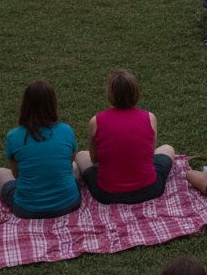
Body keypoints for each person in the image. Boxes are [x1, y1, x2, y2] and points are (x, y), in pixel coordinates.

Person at [75, 69, 175, 204]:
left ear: (110, 93)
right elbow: (150, 154)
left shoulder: (96, 121)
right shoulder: (150, 118)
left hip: (107, 194)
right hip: (149, 190)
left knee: (81, 155)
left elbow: (94, 160)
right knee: (167, 149)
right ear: (136, 92)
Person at [0, 80, 80, 219]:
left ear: (25, 105)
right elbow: (69, 162)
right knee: (74, 167)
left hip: (27, 208)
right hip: (69, 203)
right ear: (53, 104)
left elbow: (16, 175)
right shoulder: (66, 130)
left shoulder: (14, 136)